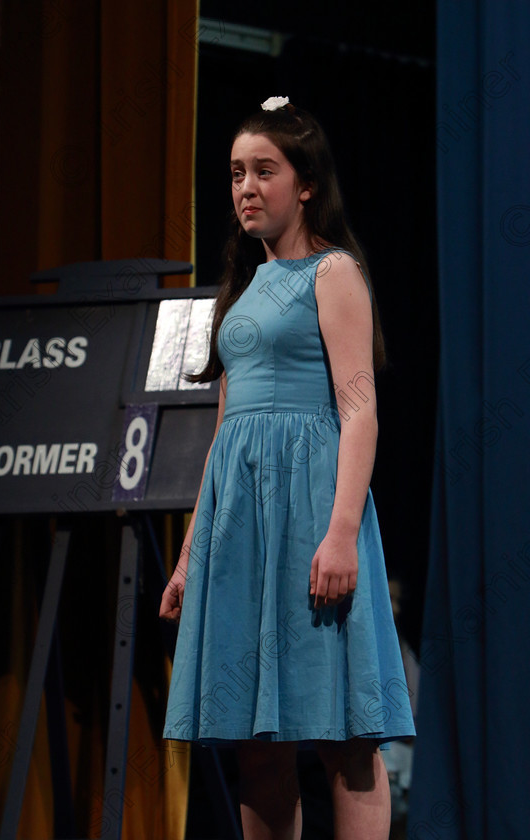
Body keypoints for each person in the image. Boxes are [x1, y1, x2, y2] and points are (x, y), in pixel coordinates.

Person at [160, 96, 416, 840]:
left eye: (264, 171)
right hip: (243, 528)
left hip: (310, 514)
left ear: (305, 183)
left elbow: (359, 409)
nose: (246, 187)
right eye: (237, 172)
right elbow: (223, 439)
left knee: (346, 741)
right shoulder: (240, 292)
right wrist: (188, 557)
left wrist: (340, 534)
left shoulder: (333, 273)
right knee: (257, 747)